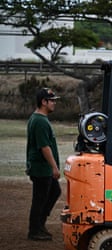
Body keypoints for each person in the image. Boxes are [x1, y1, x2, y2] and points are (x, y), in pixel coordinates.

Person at [26, 88, 62, 241]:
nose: (54, 103)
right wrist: (54, 167)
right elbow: (44, 147)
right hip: (41, 168)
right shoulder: (40, 121)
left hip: (43, 167)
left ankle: (40, 224)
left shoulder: (40, 119)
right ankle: (35, 229)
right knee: (40, 198)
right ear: (43, 102)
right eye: (51, 100)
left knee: (54, 192)